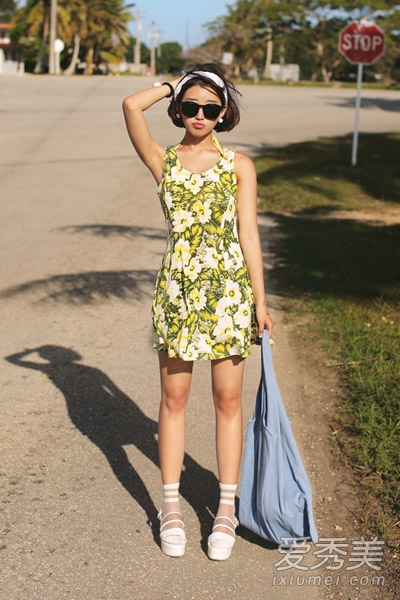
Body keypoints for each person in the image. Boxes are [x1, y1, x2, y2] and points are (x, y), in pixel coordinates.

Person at [122, 64, 273, 561]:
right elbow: (129, 105)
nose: (200, 115)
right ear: (179, 110)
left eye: (211, 107)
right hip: (179, 293)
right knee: (173, 398)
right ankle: (170, 508)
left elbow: (249, 236)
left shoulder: (239, 165)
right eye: (191, 107)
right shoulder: (162, 161)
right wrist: (177, 82)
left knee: (229, 401)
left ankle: (225, 510)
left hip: (229, 294)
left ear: (224, 111)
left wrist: (261, 301)